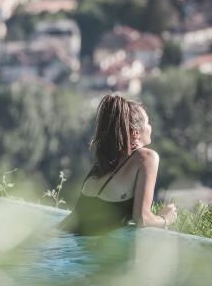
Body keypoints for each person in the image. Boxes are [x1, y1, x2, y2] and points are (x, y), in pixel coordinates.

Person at [59, 94, 177, 235]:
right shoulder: (147, 157)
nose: (150, 127)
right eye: (148, 122)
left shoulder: (105, 161)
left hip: (60, 235)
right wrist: (165, 219)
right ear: (135, 133)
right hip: (81, 247)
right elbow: (142, 219)